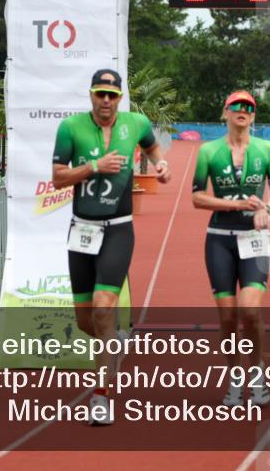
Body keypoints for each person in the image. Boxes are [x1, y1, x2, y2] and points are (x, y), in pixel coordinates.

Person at [51, 69, 171, 425]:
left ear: (120, 98)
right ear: (91, 94)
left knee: (104, 308)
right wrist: (94, 166)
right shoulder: (70, 128)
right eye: (100, 93)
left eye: (112, 95)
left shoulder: (136, 123)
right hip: (82, 230)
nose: (106, 100)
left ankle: (101, 396)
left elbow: (152, 146)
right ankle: (113, 339)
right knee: (86, 321)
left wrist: (161, 164)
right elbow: (57, 177)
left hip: (118, 230)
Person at [191, 90, 270, 406]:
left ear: (253, 115)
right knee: (228, 317)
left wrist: (267, 208)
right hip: (219, 238)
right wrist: (236, 205)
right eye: (236, 106)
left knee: (251, 311)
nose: (242, 111)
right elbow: (197, 198)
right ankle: (234, 377)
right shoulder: (208, 151)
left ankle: (257, 374)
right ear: (226, 112)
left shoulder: (267, 149)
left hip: (254, 238)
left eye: (249, 107)